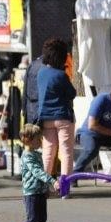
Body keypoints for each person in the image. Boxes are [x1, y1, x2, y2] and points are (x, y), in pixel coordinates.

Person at [73, 81, 111, 177]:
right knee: (91, 149)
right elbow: (92, 125)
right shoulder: (102, 100)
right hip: (90, 134)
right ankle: (75, 174)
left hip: (109, 136)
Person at [37, 38, 77, 177]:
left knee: (48, 151)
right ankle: (65, 188)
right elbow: (72, 93)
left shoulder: (40, 73)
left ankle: (44, 185)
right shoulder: (61, 75)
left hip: (46, 117)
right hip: (63, 117)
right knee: (66, 151)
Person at [20, 124, 59, 222]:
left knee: (41, 220)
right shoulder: (27, 156)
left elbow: (40, 175)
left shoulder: (36, 154)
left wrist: (45, 189)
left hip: (40, 192)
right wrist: (52, 181)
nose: (41, 141)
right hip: (31, 193)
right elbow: (37, 172)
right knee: (32, 221)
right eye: (38, 139)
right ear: (28, 140)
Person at [22, 55, 44, 126]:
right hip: (44, 109)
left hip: (31, 108)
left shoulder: (32, 65)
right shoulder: (50, 66)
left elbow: (25, 88)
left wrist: (23, 108)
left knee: (32, 135)